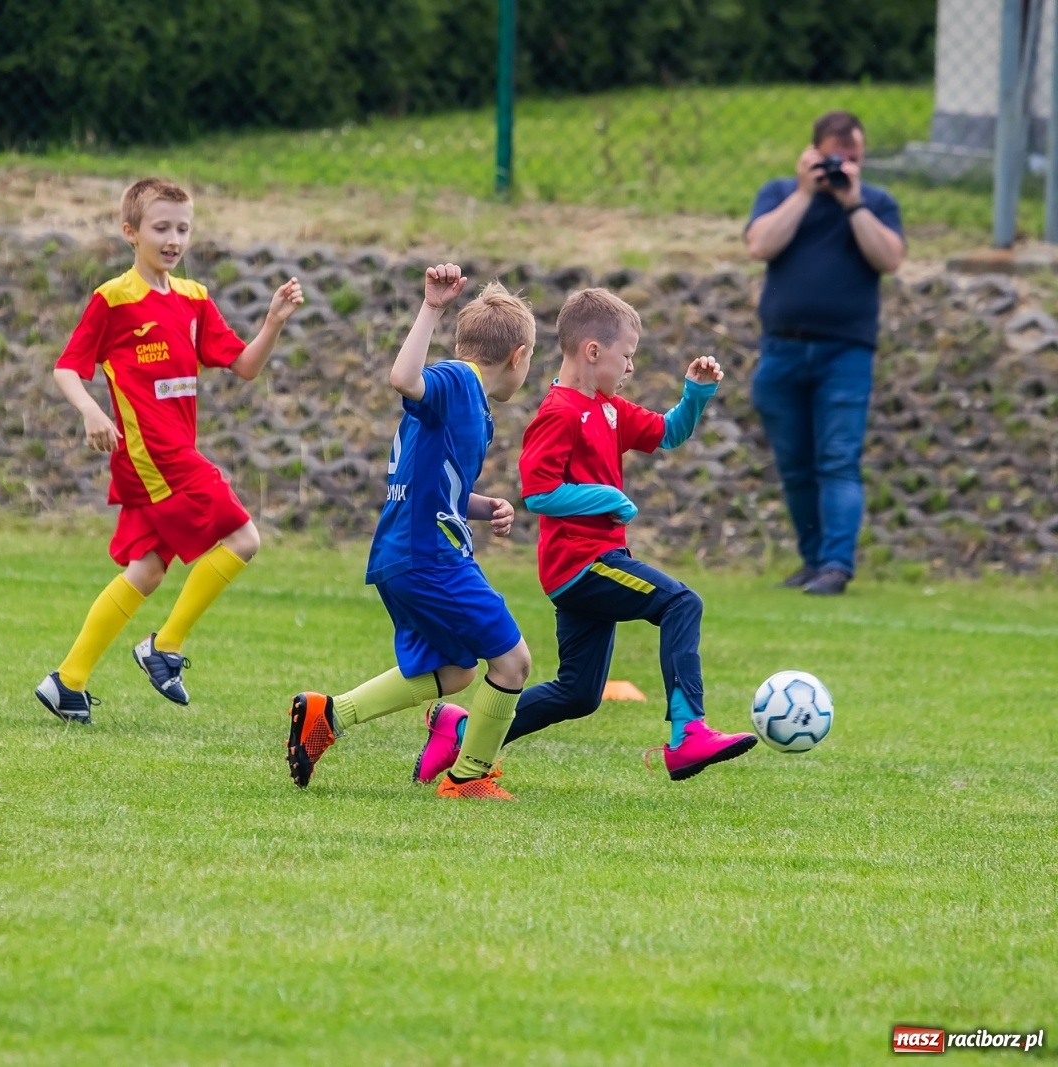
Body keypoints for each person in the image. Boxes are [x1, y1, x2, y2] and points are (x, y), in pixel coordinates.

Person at [419, 288, 757, 783]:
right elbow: (539, 493)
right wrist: (608, 499)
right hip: (580, 564)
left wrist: (696, 393)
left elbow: (668, 433)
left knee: (579, 693)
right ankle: (688, 735)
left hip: (592, 563)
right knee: (681, 603)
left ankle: (463, 730)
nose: (631, 368)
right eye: (627, 356)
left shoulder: (610, 409)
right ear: (592, 351)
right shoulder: (559, 412)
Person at [34, 177, 304, 723]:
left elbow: (245, 367)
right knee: (244, 537)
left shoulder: (194, 299)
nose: (174, 238)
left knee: (150, 568)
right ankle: (165, 647)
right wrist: (91, 411)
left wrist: (273, 322)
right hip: (150, 454)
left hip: (171, 452)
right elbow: (67, 367)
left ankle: (67, 681)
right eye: (161, 228)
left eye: (183, 228)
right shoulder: (113, 299)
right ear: (130, 232)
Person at [287, 266, 535, 801]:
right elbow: (403, 378)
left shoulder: (472, 407)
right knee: (513, 662)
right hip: (431, 559)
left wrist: (481, 504)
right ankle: (470, 778)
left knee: (456, 670)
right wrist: (431, 307)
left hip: (408, 554)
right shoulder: (456, 380)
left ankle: (328, 715)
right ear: (518, 357)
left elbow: (432, 486)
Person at [745, 109, 906, 596]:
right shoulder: (781, 194)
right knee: (794, 463)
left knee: (837, 459)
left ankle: (836, 566)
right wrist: (804, 191)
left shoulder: (877, 202)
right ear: (812, 153)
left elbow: (891, 258)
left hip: (845, 354)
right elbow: (759, 245)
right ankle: (813, 562)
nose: (843, 167)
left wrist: (853, 203)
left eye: (852, 158)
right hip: (782, 350)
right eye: (833, 158)